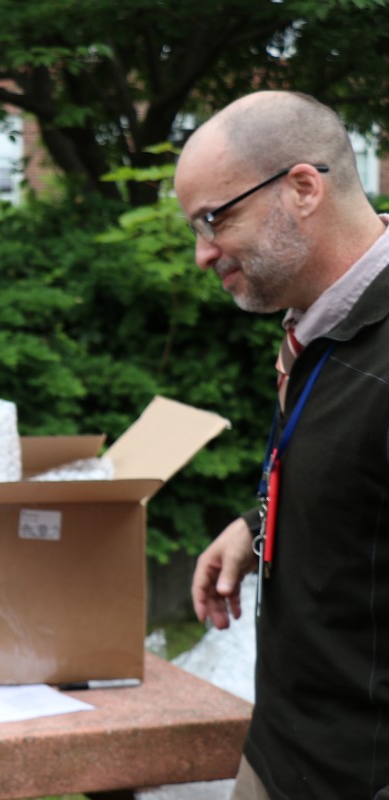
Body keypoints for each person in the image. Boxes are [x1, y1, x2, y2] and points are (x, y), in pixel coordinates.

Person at [176, 91, 389, 799]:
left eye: (216, 218)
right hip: (282, 747)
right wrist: (258, 523)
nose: (203, 255)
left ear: (302, 188)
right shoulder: (327, 324)